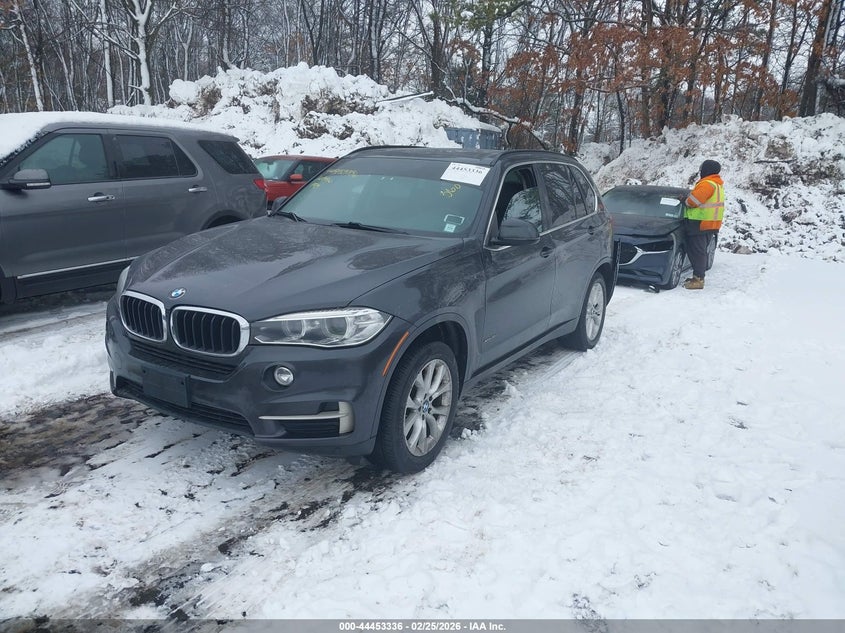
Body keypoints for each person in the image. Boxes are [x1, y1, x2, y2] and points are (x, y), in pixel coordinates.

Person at [683, 159, 724, 290]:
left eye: (702, 169)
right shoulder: (717, 184)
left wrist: (685, 200)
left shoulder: (707, 184)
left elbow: (694, 201)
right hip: (710, 223)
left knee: (697, 252)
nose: (700, 172)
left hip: (700, 223)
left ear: (706, 170)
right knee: (700, 251)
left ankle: (698, 280)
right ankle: (698, 277)